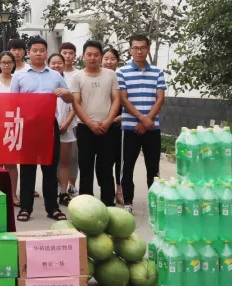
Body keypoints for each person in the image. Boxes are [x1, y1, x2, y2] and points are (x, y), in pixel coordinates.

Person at [9, 36, 73, 222]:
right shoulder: (19, 75)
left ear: (46, 53)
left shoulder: (55, 75)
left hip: (49, 126)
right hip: (28, 126)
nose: (38, 54)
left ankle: (52, 208)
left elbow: (70, 99)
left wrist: (65, 93)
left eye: (42, 51)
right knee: (27, 169)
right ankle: (25, 208)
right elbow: (12, 103)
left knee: (50, 168)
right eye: (35, 51)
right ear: (28, 53)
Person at [117, 34, 166, 214]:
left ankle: (155, 202)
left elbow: (160, 98)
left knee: (153, 167)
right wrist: (142, 118)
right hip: (129, 128)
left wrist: (147, 120)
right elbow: (123, 100)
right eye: (135, 48)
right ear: (130, 50)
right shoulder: (121, 72)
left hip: (152, 128)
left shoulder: (158, 72)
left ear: (148, 49)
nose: (139, 51)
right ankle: (128, 201)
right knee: (127, 166)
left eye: (143, 48)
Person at [70, 40, 121, 206]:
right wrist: (90, 124)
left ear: (100, 56)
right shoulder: (77, 77)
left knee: (106, 168)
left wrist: (108, 121)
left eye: (96, 55)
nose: (92, 58)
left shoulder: (110, 75)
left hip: (108, 128)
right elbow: (76, 103)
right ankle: (87, 206)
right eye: (89, 54)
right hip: (85, 128)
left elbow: (116, 99)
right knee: (86, 168)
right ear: (83, 56)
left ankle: (108, 204)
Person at [48, 53, 78, 208]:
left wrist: (66, 123)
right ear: (48, 65)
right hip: (47, 128)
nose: (56, 65)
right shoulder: (45, 82)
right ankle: (51, 191)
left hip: (65, 127)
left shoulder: (69, 82)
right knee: (50, 163)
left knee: (64, 162)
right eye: (53, 63)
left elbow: (75, 105)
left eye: (59, 63)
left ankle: (63, 192)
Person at [0, 52, 19, 205]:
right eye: (4, 62)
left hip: (13, 125)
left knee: (11, 163)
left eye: (9, 62)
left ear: (14, 64)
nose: (7, 65)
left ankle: (12, 194)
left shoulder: (18, 80)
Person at [102, 47, 124, 204]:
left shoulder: (122, 78)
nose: (109, 62)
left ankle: (119, 190)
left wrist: (121, 117)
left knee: (119, 159)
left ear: (118, 61)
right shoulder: (98, 77)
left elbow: (127, 101)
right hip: (101, 124)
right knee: (104, 161)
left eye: (112, 59)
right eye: (106, 58)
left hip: (120, 124)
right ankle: (106, 191)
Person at [59, 41, 79, 198]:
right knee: (57, 157)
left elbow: (76, 102)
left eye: (70, 53)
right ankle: (60, 185)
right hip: (56, 121)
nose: (67, 56)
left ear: (75, 56)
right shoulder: (54, 73)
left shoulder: (78, 74)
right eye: (64, 53)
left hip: (75, 121)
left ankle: (71, 184)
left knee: (73, 156)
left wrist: (66, 122)